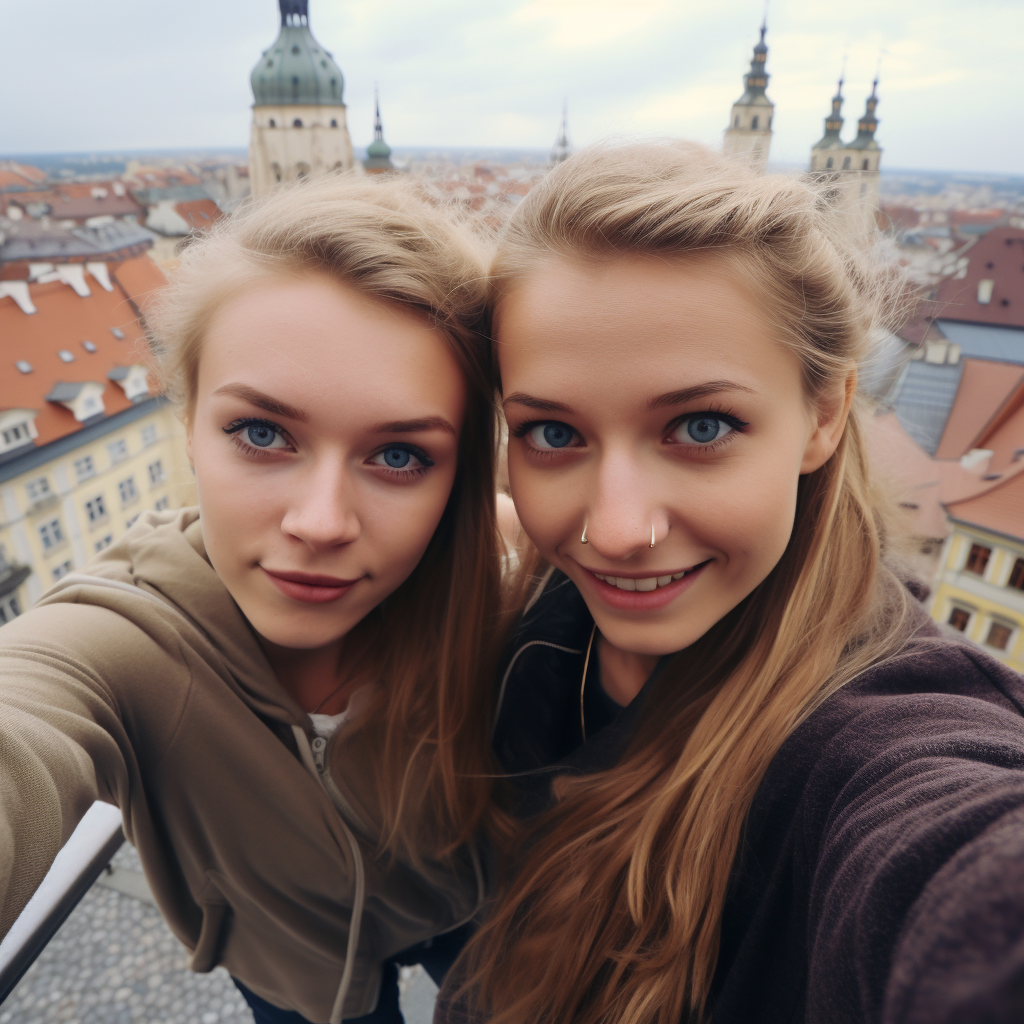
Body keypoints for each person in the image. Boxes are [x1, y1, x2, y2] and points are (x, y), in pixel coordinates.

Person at [437, 142, 1024, 1024]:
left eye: (700, 425)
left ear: (823, 415)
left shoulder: (877, 743)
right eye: (553, 435)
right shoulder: (541, 614)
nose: (619, 532)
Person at [0, 173, 507, 1024]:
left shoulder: (495, 587)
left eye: (400, 456)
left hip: (475, 905)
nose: (320, 523)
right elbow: (30, 714)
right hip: (293, 966)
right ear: (189, 421)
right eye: (262, 434)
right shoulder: (122, 642)